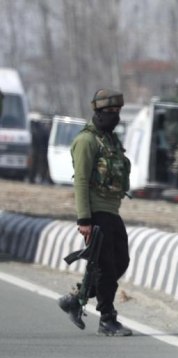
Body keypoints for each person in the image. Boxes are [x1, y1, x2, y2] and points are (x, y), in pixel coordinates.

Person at [58, 89, 132, 336]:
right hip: (95, 213)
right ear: (98, 112)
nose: (114, 116)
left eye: (117, 111)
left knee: (121, 261)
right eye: (109, 111)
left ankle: (76, 298)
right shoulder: (86, 141)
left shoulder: (111, 140)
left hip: (112, 211)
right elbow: (80, 181)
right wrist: (84, 219)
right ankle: (107, 320)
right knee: (106, 268)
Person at [28, 113, 52, 184]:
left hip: (37, 149)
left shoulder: (33, 128)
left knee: (36, 165)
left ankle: (33, 178)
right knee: (40, 165)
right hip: (41, 150)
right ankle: (39, 178)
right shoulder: (42, 129)